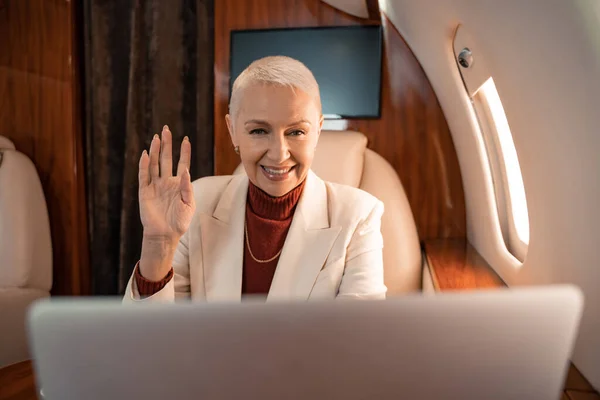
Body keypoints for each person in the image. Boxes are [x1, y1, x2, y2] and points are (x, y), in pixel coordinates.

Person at [123, 56, 387, 302]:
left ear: (318, 131)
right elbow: (154, 339)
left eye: (296, 132)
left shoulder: (358, 215)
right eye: (259, 130)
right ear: (233, 131)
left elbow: (360, 340)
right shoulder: (196, 201)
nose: (279, 153)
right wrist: (159, 243)